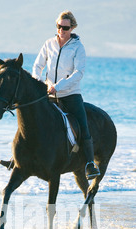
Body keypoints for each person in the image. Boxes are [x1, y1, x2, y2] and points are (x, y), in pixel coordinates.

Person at [32, 10, 100, 179]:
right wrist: (39, 82)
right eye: (59, 26)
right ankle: (20, 158)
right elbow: (37, 66)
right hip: (49, 94)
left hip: (70, 95)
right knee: (31, 120)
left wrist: (59, 86)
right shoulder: (49, 44)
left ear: (72, 28)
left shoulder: (78, 47)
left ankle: (90, 164)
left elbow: (78, 73)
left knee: (83, 126)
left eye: (65, 27)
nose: (61, 30)